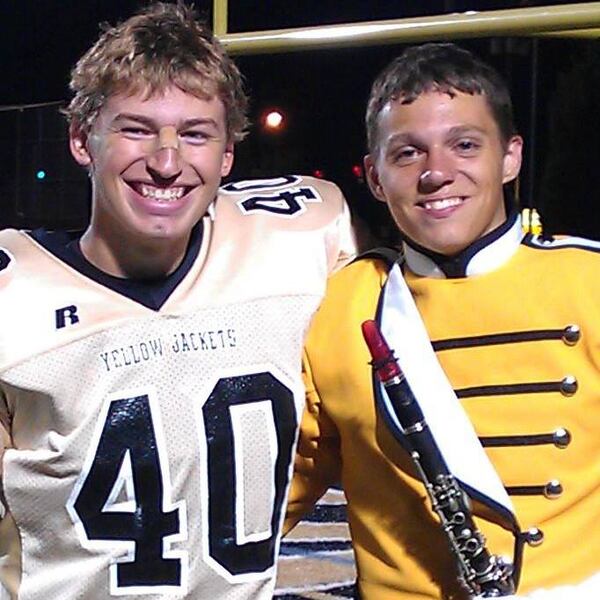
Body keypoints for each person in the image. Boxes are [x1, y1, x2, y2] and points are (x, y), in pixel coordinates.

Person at [0, 3, 356, 599]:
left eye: (195, 134)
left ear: (228, 156)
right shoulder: (15, 294)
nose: (166, 162)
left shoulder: (298, 241)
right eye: (136, 128)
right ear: (82, 140)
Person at [285, 43, 600, 599]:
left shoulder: (588, 283)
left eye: (465, 145)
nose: (436, 173)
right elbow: (275, 493)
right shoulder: (338, 307)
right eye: (407, 154)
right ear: (375, 179)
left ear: (510, 158)